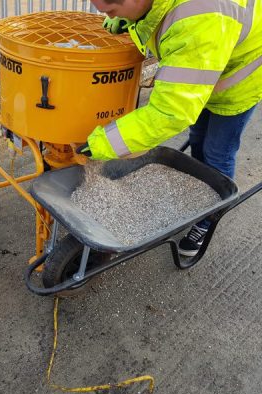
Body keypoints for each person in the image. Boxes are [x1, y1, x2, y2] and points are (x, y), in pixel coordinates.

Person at [77, 0, 262, 257]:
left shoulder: (201, 16)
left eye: (111, 2)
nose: (100, 6)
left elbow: (171, 112)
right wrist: (130, 20)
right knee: (198, 138)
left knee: (217, 152)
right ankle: (200, 192)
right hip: (205, 69)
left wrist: (104, 144)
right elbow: (158, 18)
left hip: (237, 82)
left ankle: (208, 219)